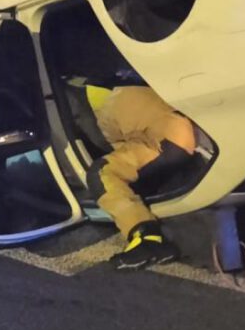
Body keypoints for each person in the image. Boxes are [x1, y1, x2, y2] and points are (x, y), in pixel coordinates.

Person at [66, 79, 196, 270]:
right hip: (176, 125)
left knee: (102, 173)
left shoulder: (87, 105)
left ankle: (145, 237)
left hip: (166, 138)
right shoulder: (117, 81)